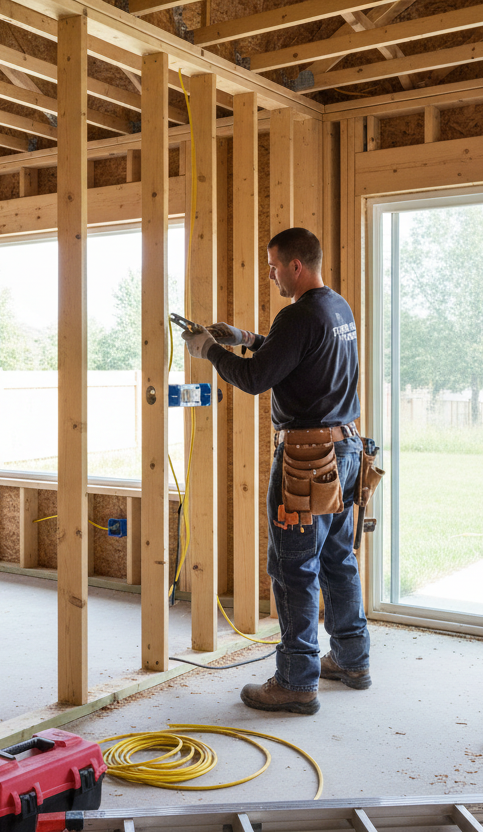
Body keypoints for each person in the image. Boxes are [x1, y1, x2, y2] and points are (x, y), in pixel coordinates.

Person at [181, 227, 370, 715]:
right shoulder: (336, 309)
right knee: (337, 558)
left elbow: (257, 377)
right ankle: (352, 659)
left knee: (292, 568)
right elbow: (293, 355)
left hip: (306, 462)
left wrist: (210, 351)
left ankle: (295, 680)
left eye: (273, 265)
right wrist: (244, 338)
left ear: (296, 267)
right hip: (346, 453)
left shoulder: (298, 314)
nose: (270, 273)